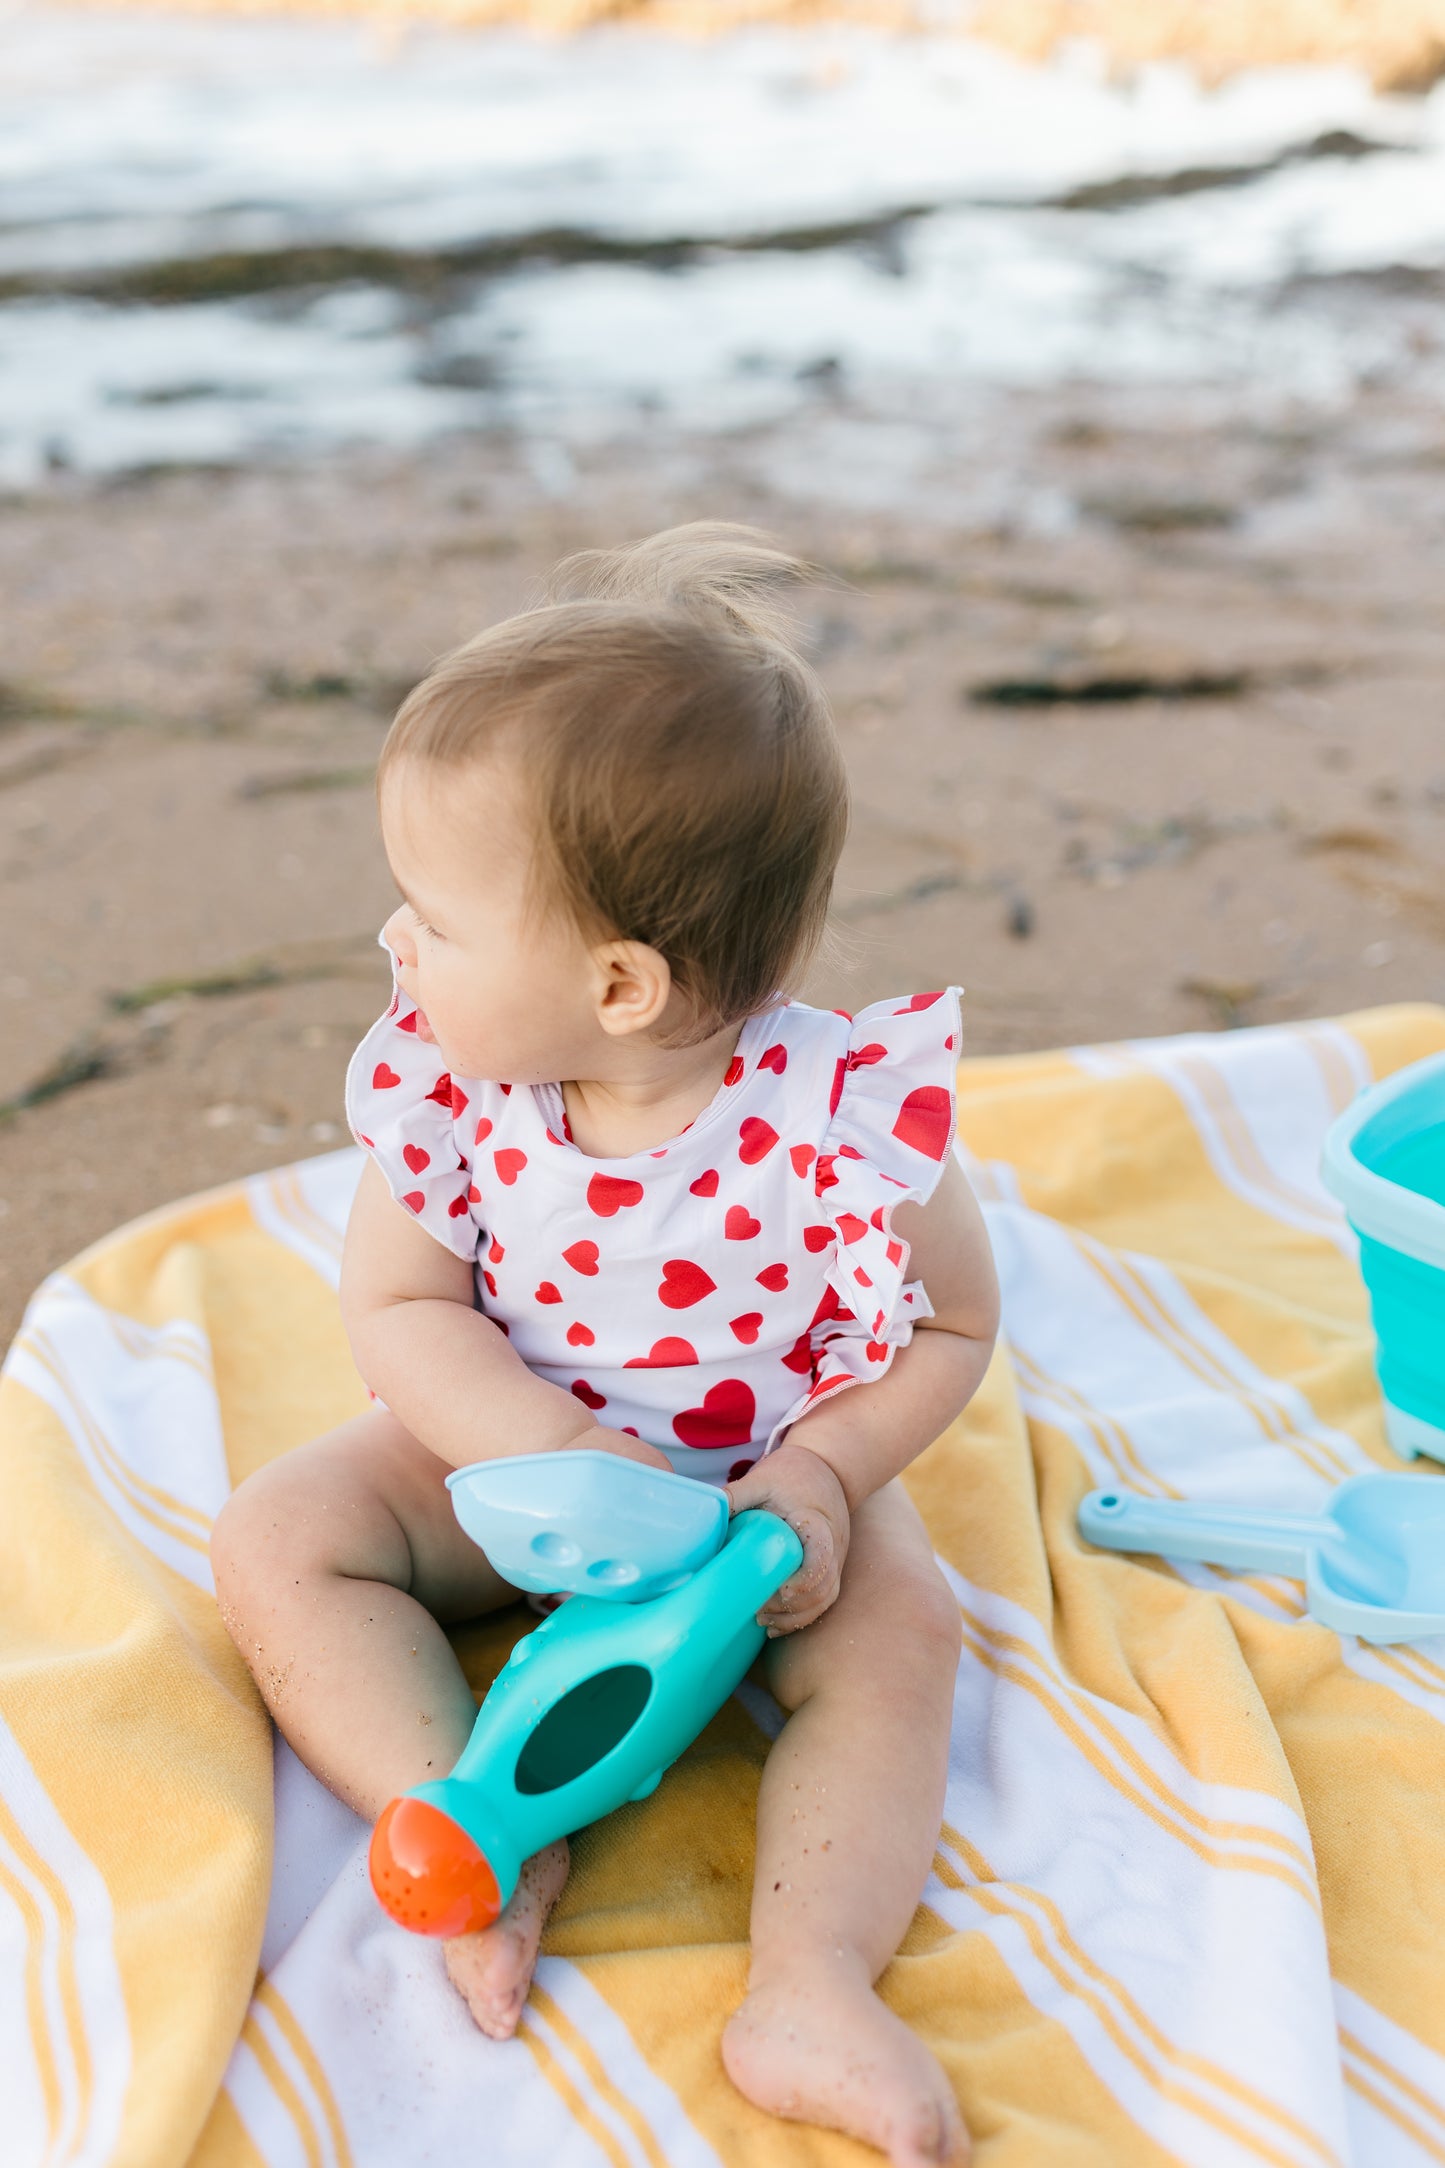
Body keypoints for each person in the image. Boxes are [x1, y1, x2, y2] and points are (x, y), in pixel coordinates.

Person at [212, 524, 998, 2168]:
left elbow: (947, 1323)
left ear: (620, 982)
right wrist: (531, 1446)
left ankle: (809, 1980)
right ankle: (471, 1819)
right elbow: (402, 1312)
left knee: (905, 1634)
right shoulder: (454, 1090)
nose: (394, 944)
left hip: (753, 1501)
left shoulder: (834, 1118)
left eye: (432, 913)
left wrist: (831, 1469)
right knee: (282, 1538)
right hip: (492, 1459)